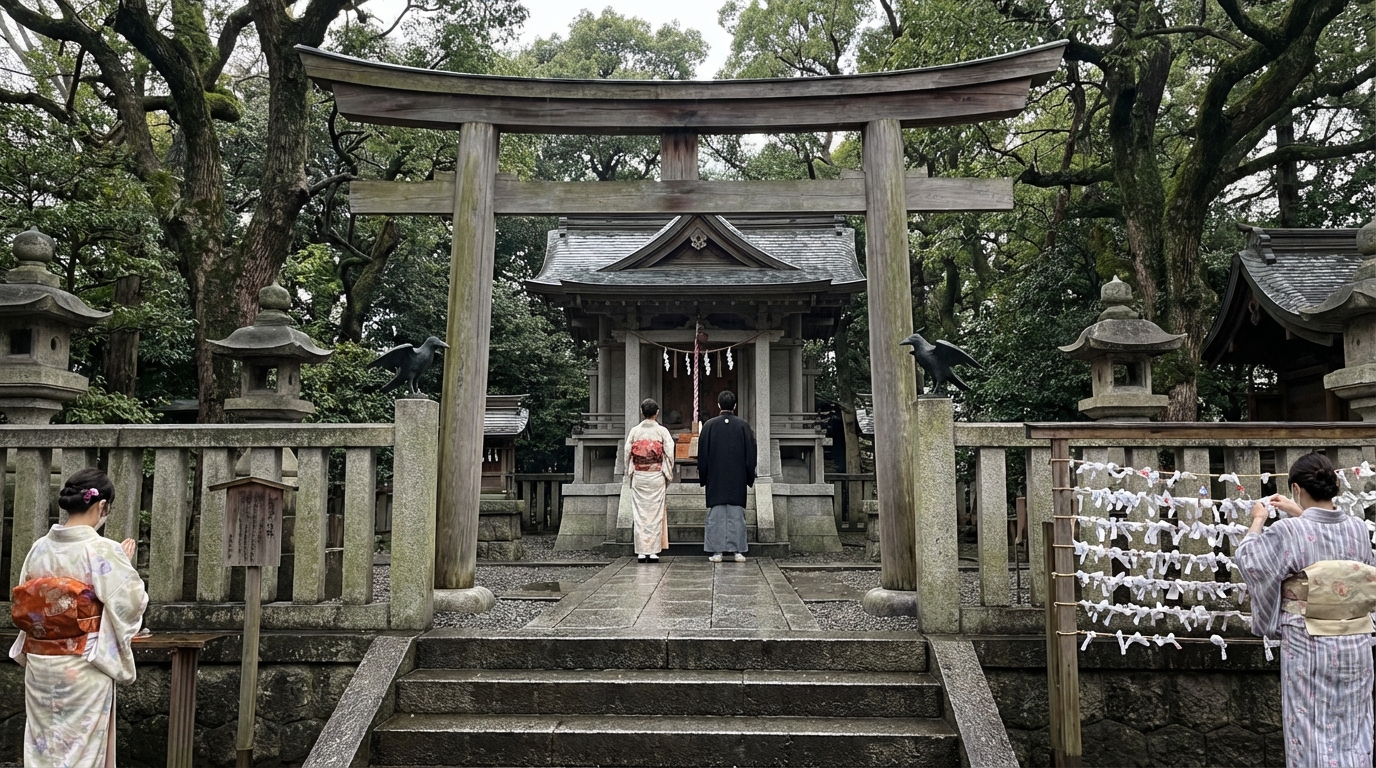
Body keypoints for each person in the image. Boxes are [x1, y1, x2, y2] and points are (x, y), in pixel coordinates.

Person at [1236, 452, 1376, 767]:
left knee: (1311, 725)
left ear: (1297, 488)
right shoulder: (1356, 528)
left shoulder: (1289, 531)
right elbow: (1322, 534)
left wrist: (1258, 519)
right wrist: (1299, 511)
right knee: (1354, 724)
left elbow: (1252, 563)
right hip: (1356, 639)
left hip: (1309, 640)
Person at [10, 468, 148, 768]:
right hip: (82, 664)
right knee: (81, 750)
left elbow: (25, 602)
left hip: (41, 663)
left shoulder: (39, 548)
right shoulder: (101, 549)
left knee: (43, 745)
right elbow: (131, 602)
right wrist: (121, 562)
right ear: (102, 506)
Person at [697, 390, 756, 563]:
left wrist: (704, 476)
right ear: (735, 406)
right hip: (737, 477)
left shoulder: (709, 426)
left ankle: (717, 552)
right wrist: (748, 475)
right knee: (736, 513)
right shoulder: (743, 426)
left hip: (715, 477)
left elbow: (703, 455)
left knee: (716, 513)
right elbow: (751, 454)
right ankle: (738, 551)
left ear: (718, 405)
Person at [625, 398, 674, 563]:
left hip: (639, 475)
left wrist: (630, 470)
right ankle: (653, 552)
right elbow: (669, 452)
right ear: (657, 412)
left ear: (641, 411)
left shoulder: (634, 431)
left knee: (640, 513)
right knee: (655, 513)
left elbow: (627, 453)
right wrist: (666, 469)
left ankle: (641, 551)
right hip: (655, 474)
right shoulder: (662, 431)